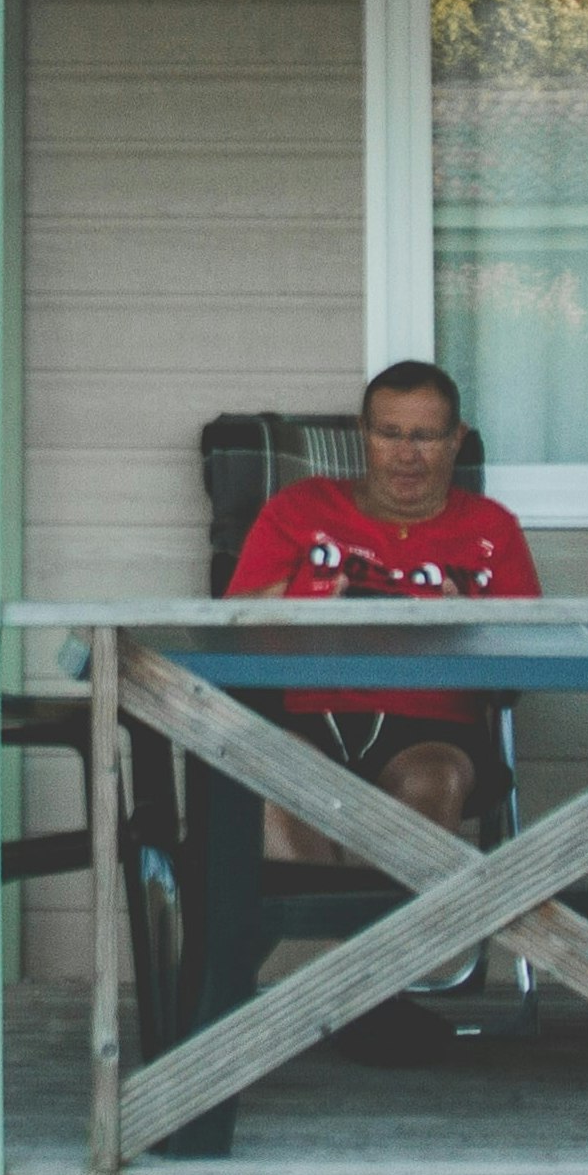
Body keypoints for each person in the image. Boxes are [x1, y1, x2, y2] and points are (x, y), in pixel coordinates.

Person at [222, 361, 537, 862]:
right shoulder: (300, 507)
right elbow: (231, 627)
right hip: (307, 715)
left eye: (425, 436)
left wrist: (472, 627)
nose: (406, 454)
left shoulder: (491, 528)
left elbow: (527, 657)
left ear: (457, 439)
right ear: (362, 432)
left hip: (432, 723)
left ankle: (396, 933)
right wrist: (312, 603)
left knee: (434, 785)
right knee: (273, 776)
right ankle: (344, 931)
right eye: (389, 433)